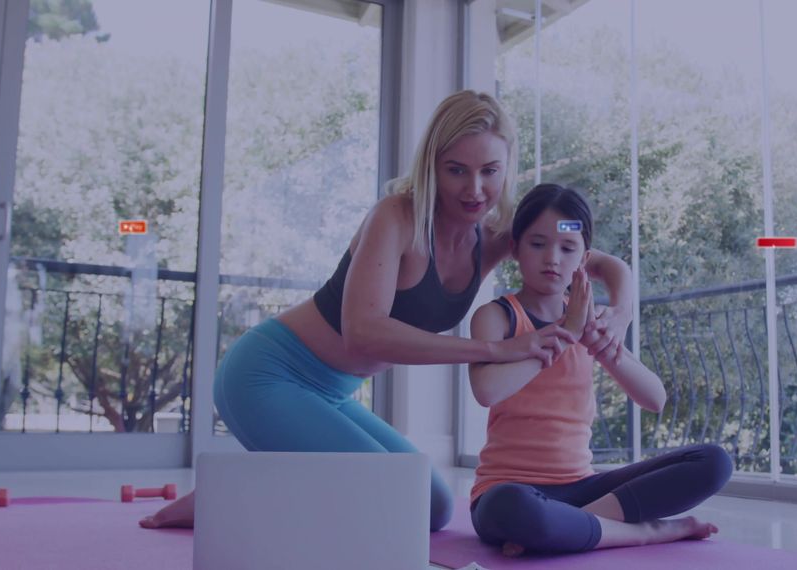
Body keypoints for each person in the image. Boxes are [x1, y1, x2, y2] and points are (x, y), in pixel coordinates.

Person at [139, 91, 636, 530]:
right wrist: (497, 347)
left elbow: (593, 256)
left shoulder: (497, 239)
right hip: (268, 375)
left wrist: (621, 312)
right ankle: (234, 497)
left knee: (434, 507)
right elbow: (363, 333)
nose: (474, 190)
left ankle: (243, 492)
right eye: (456, 170)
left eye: (490, 171)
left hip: (332, 394)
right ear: (432, 166)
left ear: (507, 170)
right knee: (393, 496)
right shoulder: (396, 217)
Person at [467, 183, 733, 555]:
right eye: (538, 244)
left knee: (714, 462)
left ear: (584, 259)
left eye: (567, 248)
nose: (553, 259)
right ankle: (646, 533)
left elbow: (655, 399)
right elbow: (487, 391)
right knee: (512, 508)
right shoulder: (496, 316)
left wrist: (602, 343)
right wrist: (566, 334)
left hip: (581, 487)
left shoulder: (586, 321)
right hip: (509, 490)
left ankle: (578, 526)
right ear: (515, 249)